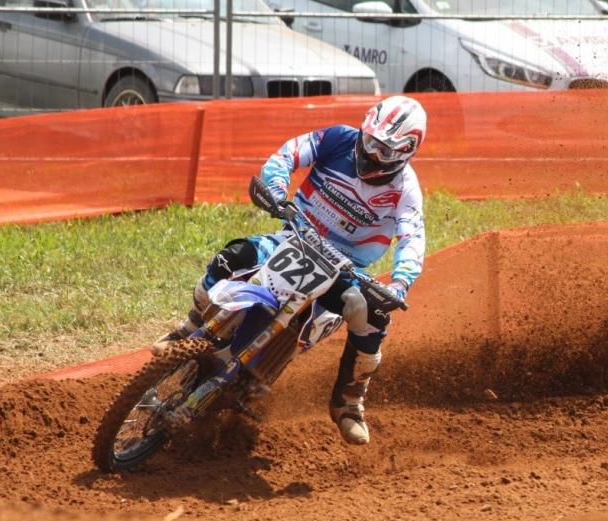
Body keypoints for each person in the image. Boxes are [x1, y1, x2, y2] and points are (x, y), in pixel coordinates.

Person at [157, 95, 427, 445]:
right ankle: (188, 329)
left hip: (343, 268)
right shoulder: (338, 138)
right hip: (294, 237)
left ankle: (349, 401)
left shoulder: (405, 189)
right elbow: (288, 154)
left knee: (372, 313)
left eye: (385, 151)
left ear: (406, 151)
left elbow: (412, 237)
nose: (372, 153)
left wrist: (400, 282)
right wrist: (275, 189)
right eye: (371, 141)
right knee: (231, 257)